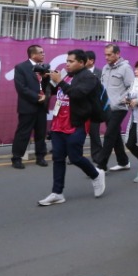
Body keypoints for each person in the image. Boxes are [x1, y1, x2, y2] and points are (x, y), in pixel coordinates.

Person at [37, 49, 106, 205]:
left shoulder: (89, 78)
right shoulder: (67, 75)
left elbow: (77, 94)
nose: (67, 64)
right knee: (58, 158)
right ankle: (57, 192)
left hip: (77, 122)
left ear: (81, 63)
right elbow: (54, 90)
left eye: (71, 61)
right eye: (67, 61)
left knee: (75, 157)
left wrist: (60, 81)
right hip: (59, 123)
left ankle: (95, 174)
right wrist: (46, 79)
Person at [11, 43, 51, 169]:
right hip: (28, 106)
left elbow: (47, 86)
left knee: (41, 133)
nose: (43, 54)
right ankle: (17, 158)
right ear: (33, 55)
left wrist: (45, 80)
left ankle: (40, 156)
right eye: (41, 52)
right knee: (23, 133)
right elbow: (21, 88)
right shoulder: (21, 68)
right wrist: (37, 97)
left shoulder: (44, 67)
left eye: (43, 52)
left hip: (41, 106)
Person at [99, 44, 134, 171]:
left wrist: (121, 99)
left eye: (109, 54)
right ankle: (123, 161)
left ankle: (100, 166)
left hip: (119, 108)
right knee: (115, 134)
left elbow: (132, 87)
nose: (106, 57)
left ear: (117, 54)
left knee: (109, 135)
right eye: (105, 54)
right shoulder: (105, 68)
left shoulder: (125, 68)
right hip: (107, 108)